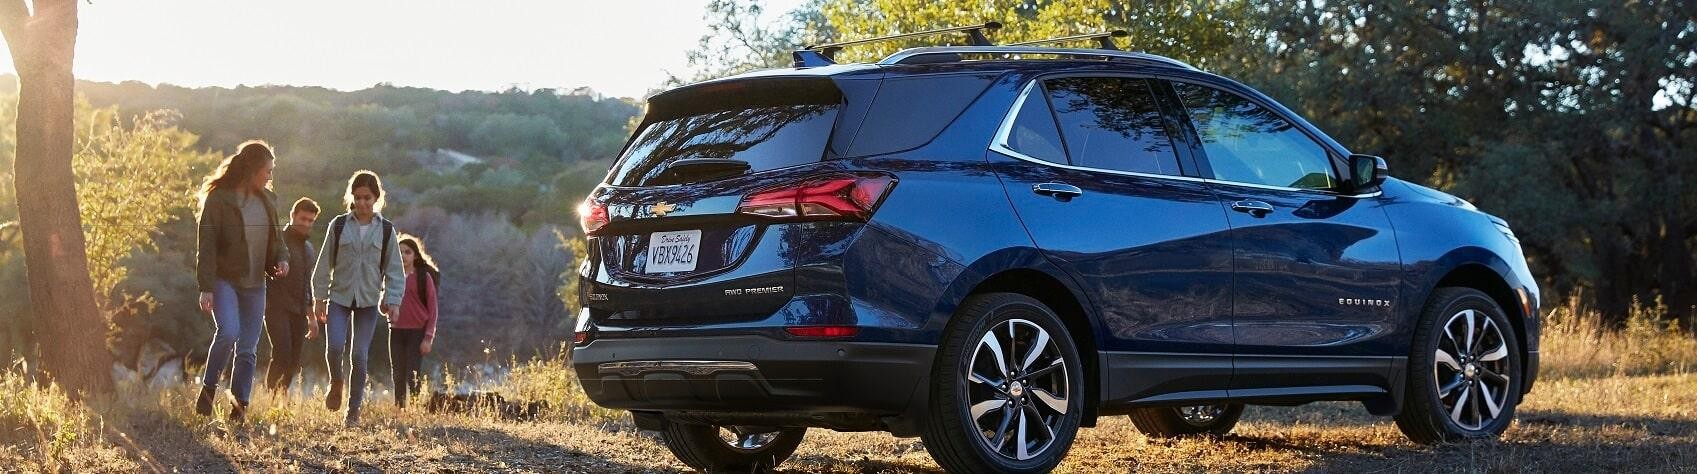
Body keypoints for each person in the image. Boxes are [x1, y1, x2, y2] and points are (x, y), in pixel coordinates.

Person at [194, 140, 289, 422]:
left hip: (256, 284)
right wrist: (205, 287)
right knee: (228, 333)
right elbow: (207, 244)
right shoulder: (220, 199)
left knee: (247, 348)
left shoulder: (268, 200)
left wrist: (282, 260)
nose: (270, 176)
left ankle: (239, 407)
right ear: (252, 169)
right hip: (225, 281)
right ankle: (209, 390)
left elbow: (278, 241)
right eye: (267, 171)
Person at [312, 170, 405, 427]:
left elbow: (395, 271)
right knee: (334, 348)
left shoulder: (386, 231)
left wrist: (393, 300)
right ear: (351, 197)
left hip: (368, 301)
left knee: (360, 356)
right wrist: (319, 298)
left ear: (376, 198)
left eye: (367, 197)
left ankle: (353, 410)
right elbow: (323, 265)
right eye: (357, 197)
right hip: (339, 297)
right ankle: (336, 382)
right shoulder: (339, 225)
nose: (362, 203)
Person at [263, 197, 320, 395]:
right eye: (303, 218)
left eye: (310, 220)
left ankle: (280, 398)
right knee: (282, 353)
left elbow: (308, 286)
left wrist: (312, 318)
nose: (306, 224)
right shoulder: (278, 241)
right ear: (293, 215)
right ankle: (271, 396)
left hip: (298, 311)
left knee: (294, 359)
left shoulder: (309, 249)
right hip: (276, 306)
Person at [390, 233, 439, 409]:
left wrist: (428, 337)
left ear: (415, 255)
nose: (403, 255)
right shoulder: (391, 277)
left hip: (417, 331)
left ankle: (417, 407)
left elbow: (433, 309)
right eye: (400, 252)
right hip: (396, 330)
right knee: (397, 372)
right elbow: (384, 307)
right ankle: (399, 408)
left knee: (413, 372)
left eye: (407, 252)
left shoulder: (423, 278)